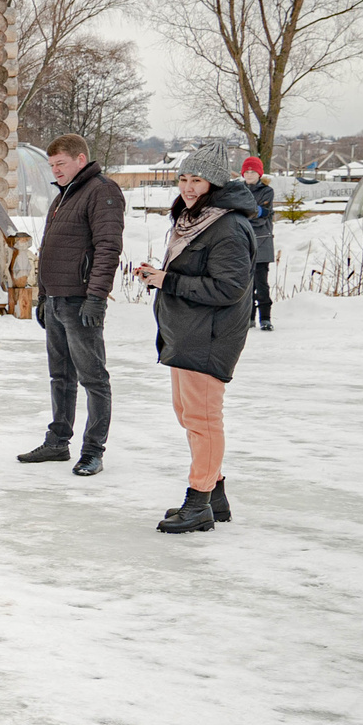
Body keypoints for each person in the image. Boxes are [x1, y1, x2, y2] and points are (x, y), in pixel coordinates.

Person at [141, 148, 258, 534]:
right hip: (187, 332)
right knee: (188, 415)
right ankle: (216, 495)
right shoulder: (195, 219)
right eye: (184, 179)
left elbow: (229, 287)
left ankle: (199, 503)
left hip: (209, 336)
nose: (188, 188)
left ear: (215, 183)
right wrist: (160, 276)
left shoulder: (227, 226)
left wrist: (167, 281)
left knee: (203, 421)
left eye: (197, 181)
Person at [19, 134, 124, 476]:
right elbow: (53, 248)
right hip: (57, 300)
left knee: (93, 379)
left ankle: (93, 450)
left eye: (60, 164)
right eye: (51, 166)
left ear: (81, 160)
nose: (55, 171)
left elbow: (108, 249)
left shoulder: (102, 192)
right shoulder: (65, 196)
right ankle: (57, 442)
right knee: (60, 376)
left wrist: (96, 299)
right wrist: (43, 296)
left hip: (81, 302)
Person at [239, 155, 276, 331]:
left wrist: (244, 213)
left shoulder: (266, 191)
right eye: (247, 171)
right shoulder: (238, 190)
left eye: (253, 171)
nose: (250, 174)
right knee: (246, 283)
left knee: (261, 282)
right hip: (242, 243)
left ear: (259, 173)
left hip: (261, 243)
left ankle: (265, 317)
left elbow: (262, 215)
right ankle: (249, 317)